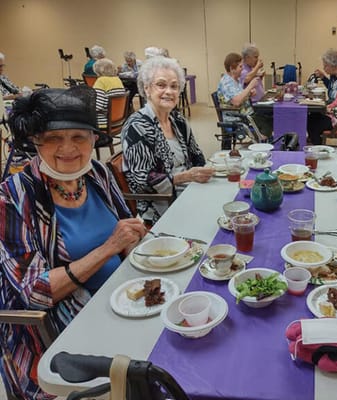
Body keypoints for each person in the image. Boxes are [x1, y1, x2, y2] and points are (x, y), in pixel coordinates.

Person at [0, 86, 146, 399]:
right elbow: (35, 292)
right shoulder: (13, 197)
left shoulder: (96, 172)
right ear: (35, 140)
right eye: (53, 137)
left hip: (122, 302)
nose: (68, 148)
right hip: (57, 332)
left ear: (94, 139)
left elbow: (127, 235)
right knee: (147, 375)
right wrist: (108, 247)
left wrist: (141, 254)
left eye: (79, 136)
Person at [121, 56, 214, 224]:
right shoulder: (137, 126)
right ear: (147, 89)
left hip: (189, 191)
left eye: (174, 86)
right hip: (161, 204)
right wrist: (185, 177)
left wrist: (200, 174)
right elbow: (143, 179)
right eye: (161, 85)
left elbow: (197, 156)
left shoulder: (177, 120)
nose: (169, 91)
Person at [217, 52, 273, 138]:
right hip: (238, 118)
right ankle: (261, 142)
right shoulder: (226, 83)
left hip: (247, 114)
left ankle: (263, 139)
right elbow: (236, 102)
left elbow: (240, 96)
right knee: (266, 125)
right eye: (240, 67)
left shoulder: (236, 79)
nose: (242, 69)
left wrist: (249, 94)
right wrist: (250, 86)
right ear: (232, 69)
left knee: (271, 118)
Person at [93, 58, 126, 129]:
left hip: (103, 121)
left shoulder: (101, 81)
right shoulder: (117, 79)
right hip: (118, 120)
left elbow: (97, 106)